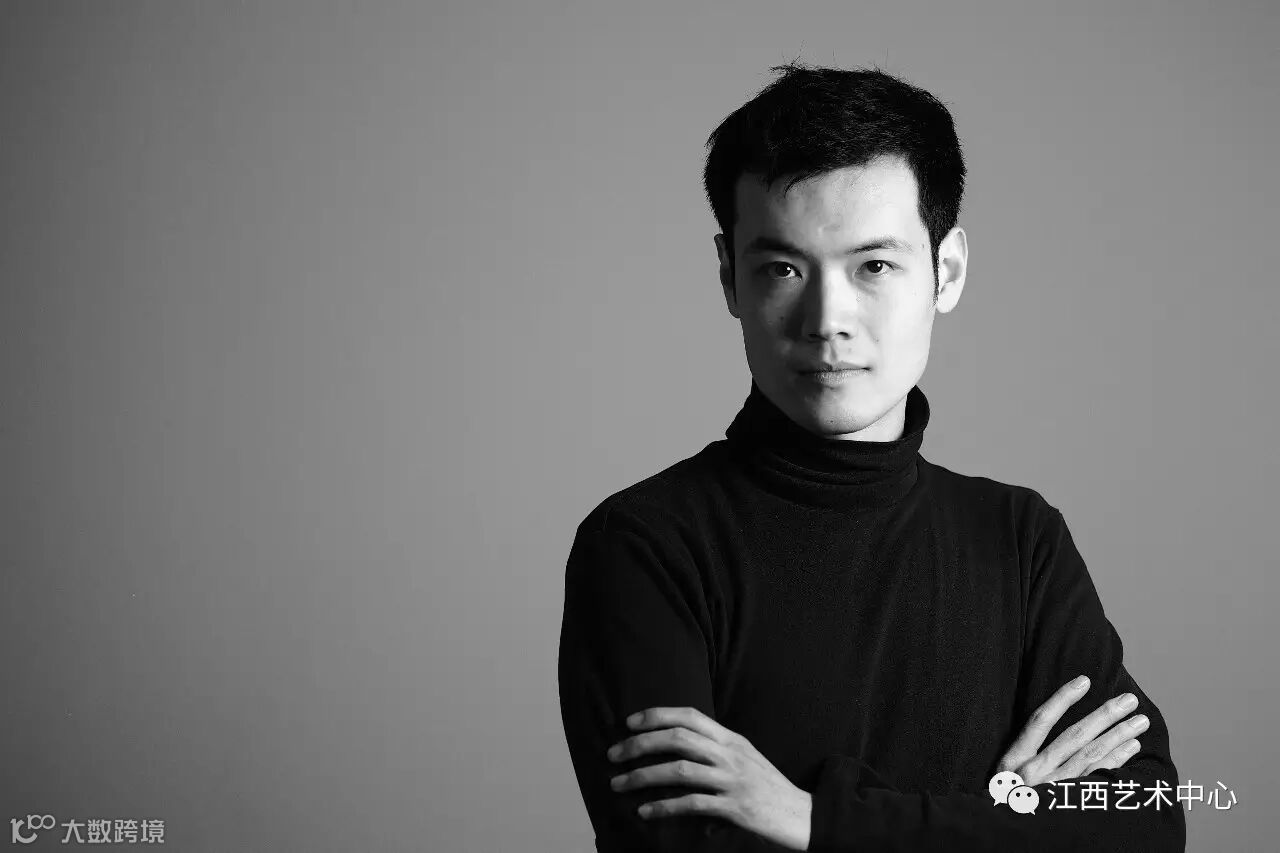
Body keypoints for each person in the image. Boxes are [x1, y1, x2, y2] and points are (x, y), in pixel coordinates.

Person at [556, 62, 1185, 852]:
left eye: (874, 266)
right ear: (729, 278)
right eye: (782, 269)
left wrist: (814, 819)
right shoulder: (646, 546)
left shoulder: (1019, 539)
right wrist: (1005, 815)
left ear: (946, 272)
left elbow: (1147, 824)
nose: (828, 319)